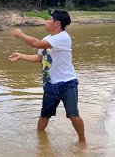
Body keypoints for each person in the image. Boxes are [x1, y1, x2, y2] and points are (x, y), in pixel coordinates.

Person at [8, 10, 87, 149]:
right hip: (50, 85)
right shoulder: (47, 39)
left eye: (50, 19)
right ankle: (41, 141)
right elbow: (39, 58)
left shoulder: (63, 37)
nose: (47, 21)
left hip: (67, 83)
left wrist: (20, 34)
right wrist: (21, 56)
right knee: (44, 116)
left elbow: (36, 43)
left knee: (73, 115)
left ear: (57, 23)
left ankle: (82, 141)